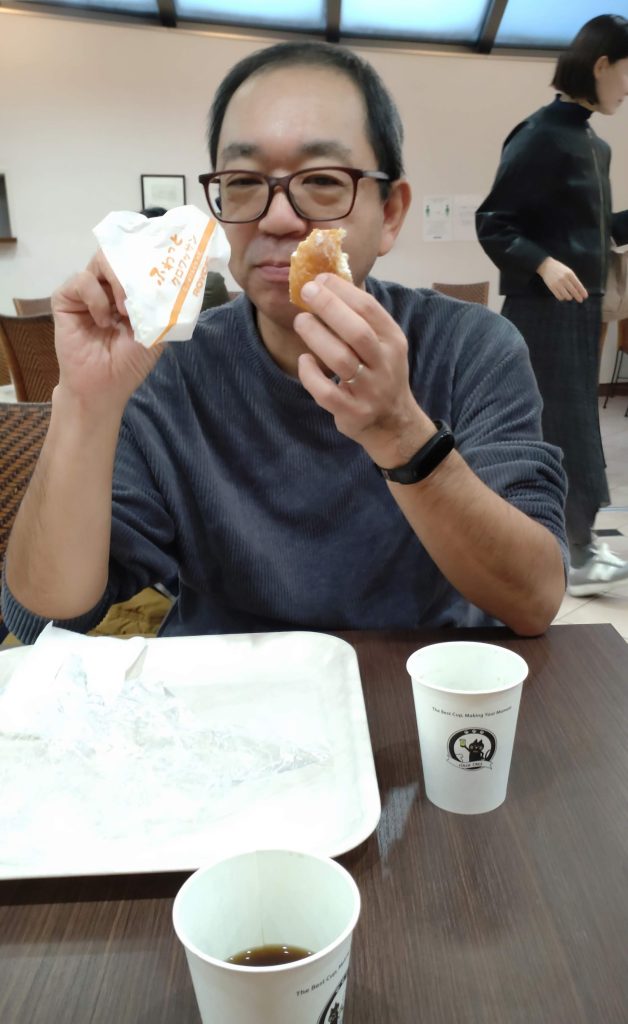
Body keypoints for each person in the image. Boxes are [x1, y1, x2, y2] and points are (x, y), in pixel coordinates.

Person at [1, 40, 568, 644]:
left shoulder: (472, 348)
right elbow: (46, 619)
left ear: (391, 213)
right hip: (226, 688)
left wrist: (401, 433)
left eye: (322, 179)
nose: (276, 219)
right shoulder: (167, 363)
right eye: (244, 181)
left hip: (414, 681)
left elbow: (533, 601)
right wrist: (85, 405)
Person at [476, 14, 628, 598]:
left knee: (576, 425)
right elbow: (494, 221)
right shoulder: (539, 134)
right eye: (627, 73)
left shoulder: (596, 145)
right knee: (550, 426)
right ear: (601, 65)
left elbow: (598, 229)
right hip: (541, 311)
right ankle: (569, 550)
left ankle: (577, 544)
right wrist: (543, 263)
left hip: (580, 312)